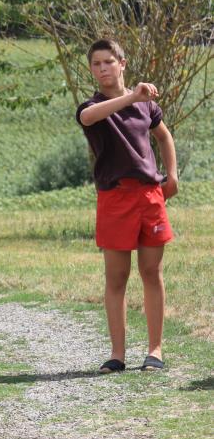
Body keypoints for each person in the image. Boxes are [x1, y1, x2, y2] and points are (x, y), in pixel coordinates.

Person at [76, 38, 178, 372]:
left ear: (122, 63)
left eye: (108, 62)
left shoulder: (146, 105)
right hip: (114, 199)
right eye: (96, 64)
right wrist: (130, 96)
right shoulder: (92, 106)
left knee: (152, 272)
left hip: (149, 196)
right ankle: (117, 355)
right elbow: (89, 118)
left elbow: (163, 136)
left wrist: (172, 175)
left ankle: (155, 351)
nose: (102, 68)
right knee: (116, 277)